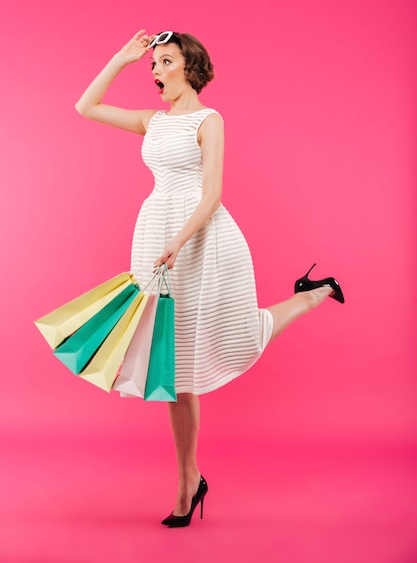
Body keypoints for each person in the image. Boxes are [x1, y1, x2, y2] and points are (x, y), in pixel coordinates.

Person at [75, 29, 344, 528]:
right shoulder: (151, 122)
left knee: (226, 341)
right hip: (155, 238)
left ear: (190, 66)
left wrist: (179, 240)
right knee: (172, 367)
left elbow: (213, 192)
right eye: (153, 64)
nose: (156, 70)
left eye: (166, 61)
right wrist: (120, 58)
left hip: (202, 239)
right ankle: (188, 481)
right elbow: (85, 107)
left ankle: (311, 296)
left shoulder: (209, 120)